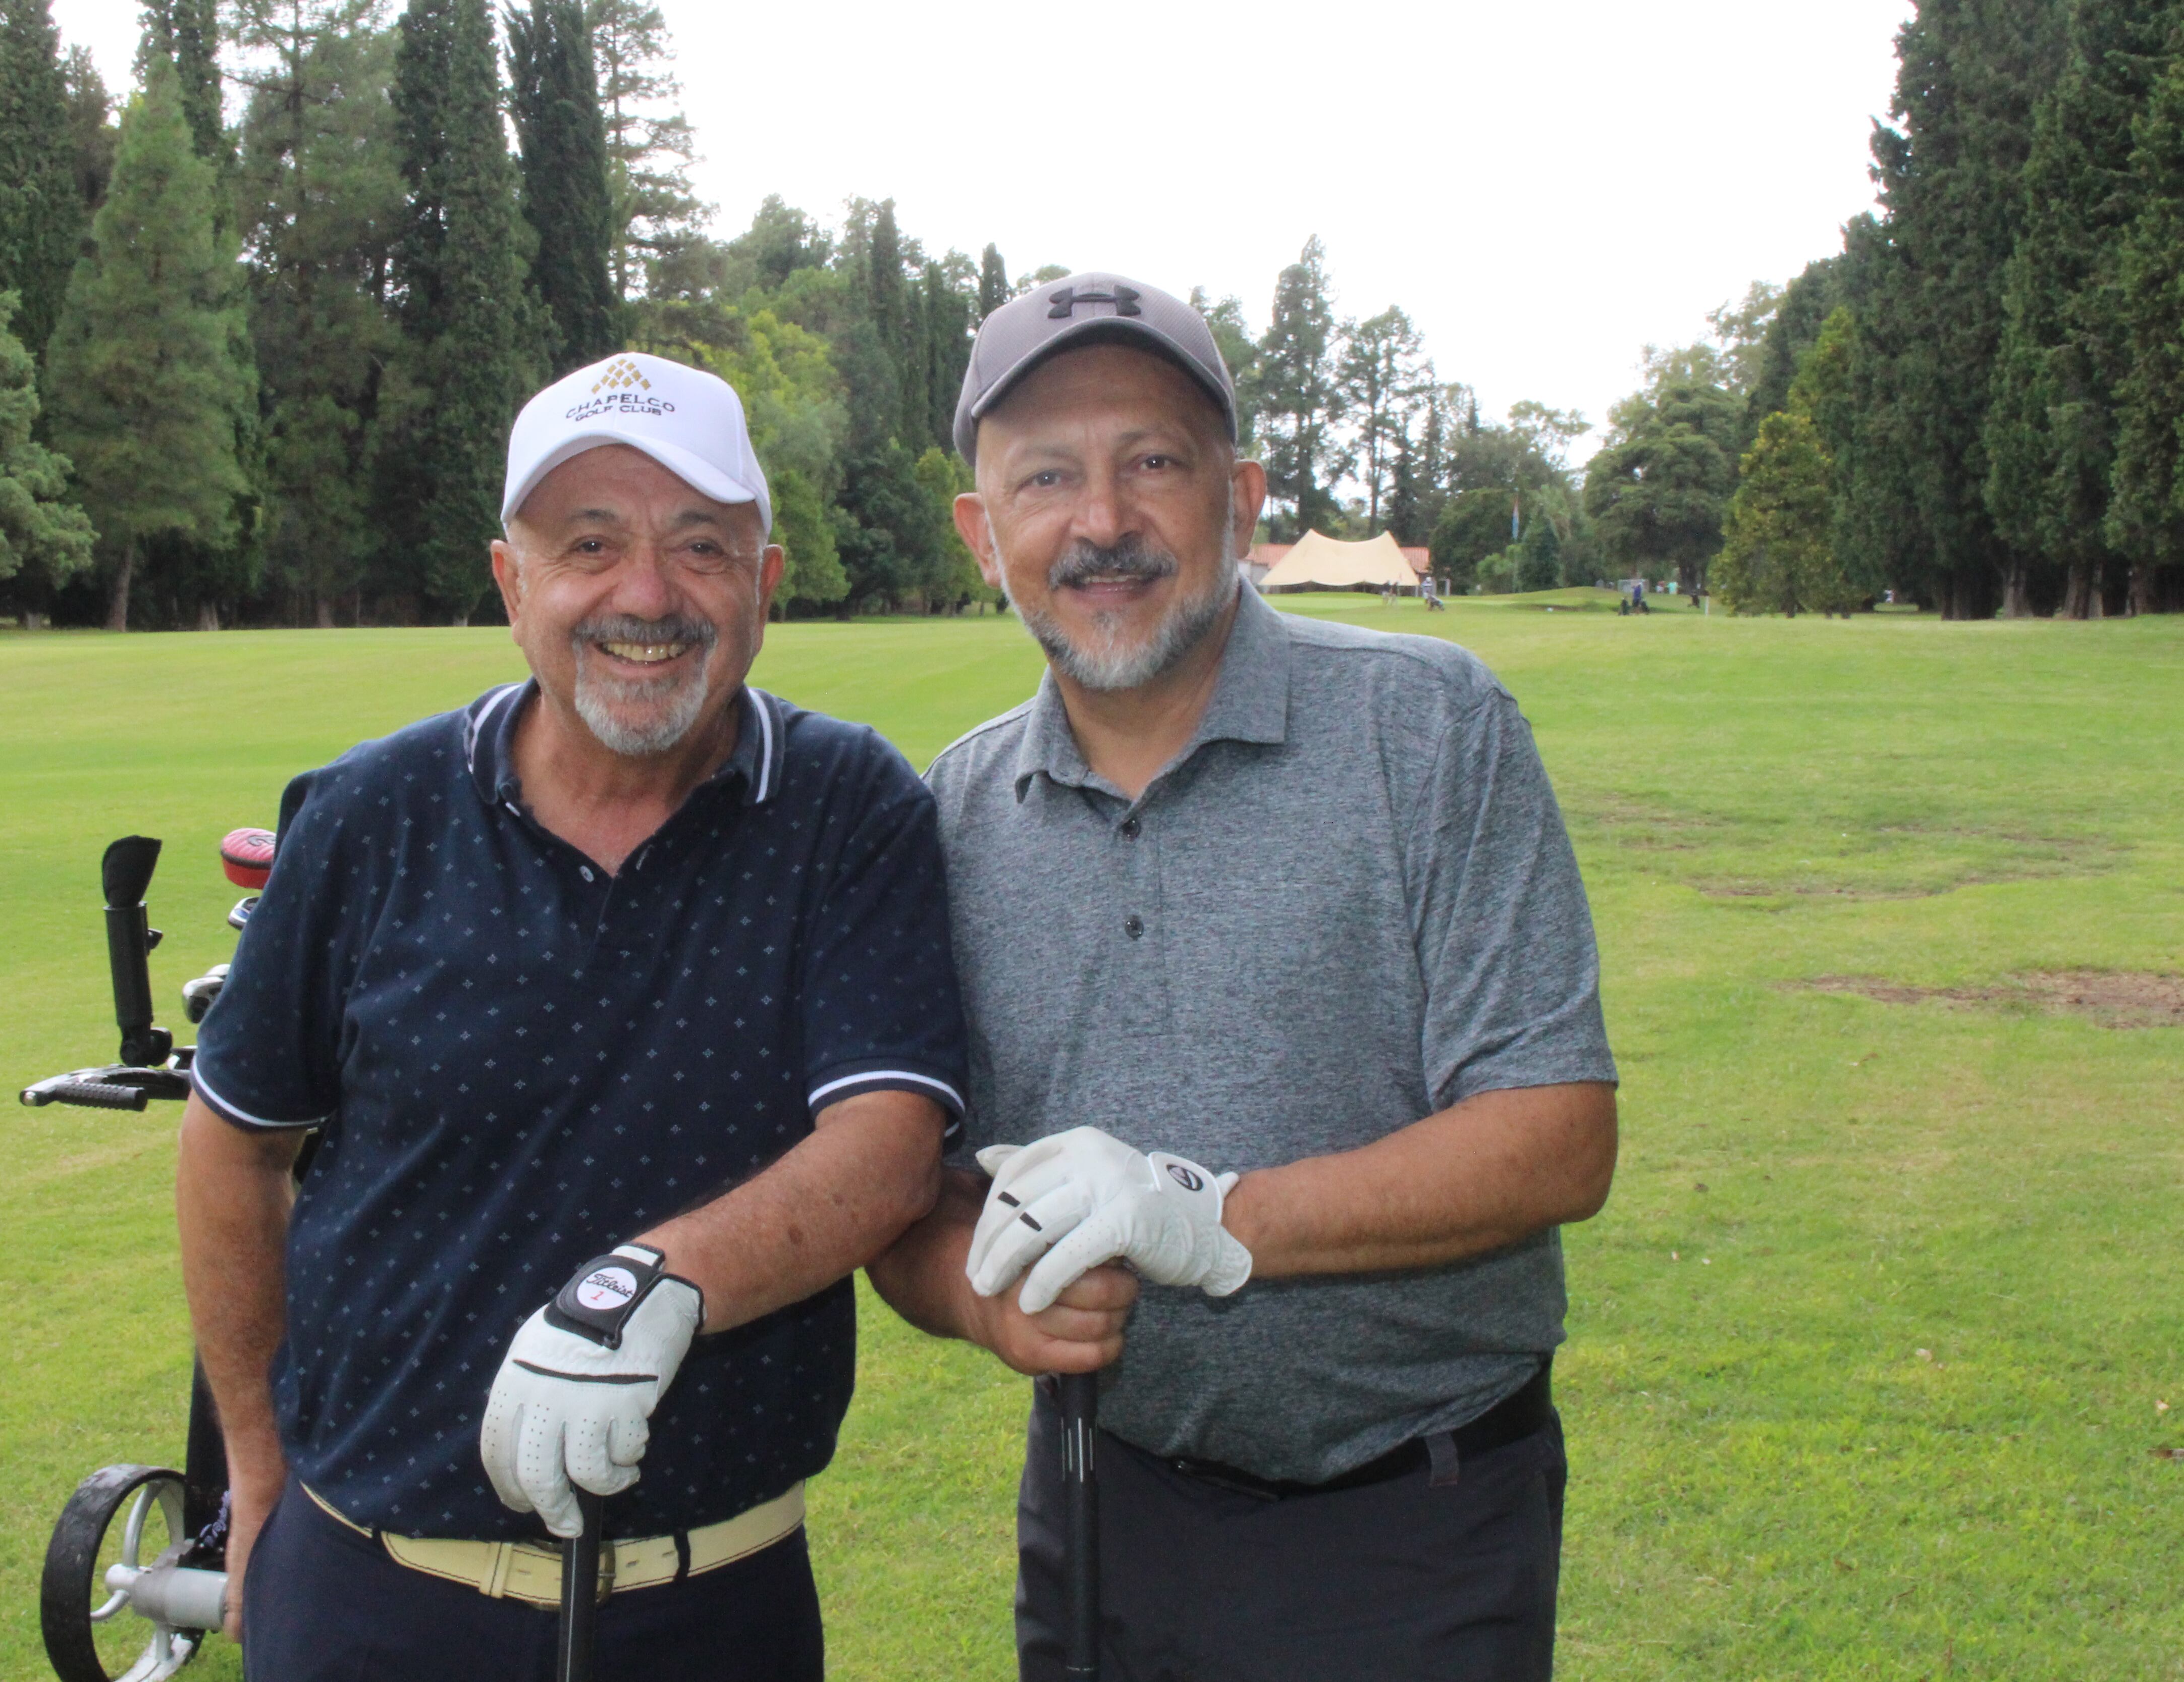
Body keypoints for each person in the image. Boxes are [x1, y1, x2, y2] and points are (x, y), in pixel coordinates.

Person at [868, 274, 1619, 1681]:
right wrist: (980, 1300)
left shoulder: (1429, 730)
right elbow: (909, 1186)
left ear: (1242, 496)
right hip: (1102, 1509)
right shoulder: (953, 813)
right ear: (984, 534)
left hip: (1418, 1526)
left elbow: (1557, 1133)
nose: (1101, 522)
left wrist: (1207, 1216)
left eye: (1152, 462)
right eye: (1046, 477)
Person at [180, 351, 969, 1681]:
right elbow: (235, 1137)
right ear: (513, 583)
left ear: (767, 584)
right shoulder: (371, 817)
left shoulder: (847, 808)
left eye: (700, 546)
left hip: (713, 1610)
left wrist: (645, 1287)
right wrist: (256, 1471)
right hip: (369, 1601)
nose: (646, 596)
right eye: (589, 544)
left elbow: (890, 1142)